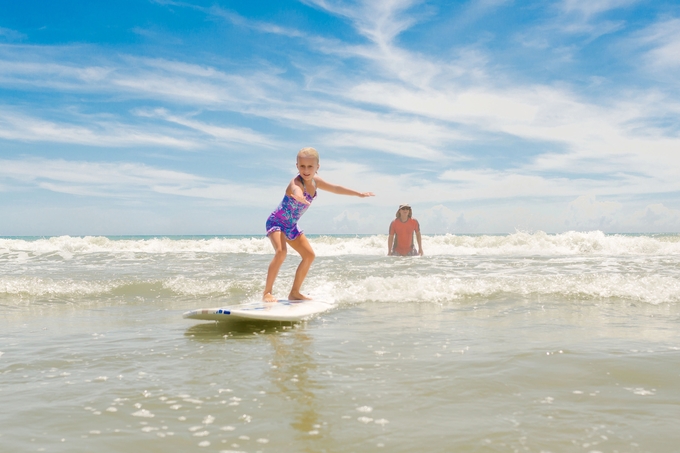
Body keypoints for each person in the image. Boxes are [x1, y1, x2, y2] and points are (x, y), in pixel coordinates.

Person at [263, 147, 374, 302]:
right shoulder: (296, 182)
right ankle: (267, 293)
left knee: (309, 255)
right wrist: (298, 196)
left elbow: (336, 188)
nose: (306, 170)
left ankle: (294, 293)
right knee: (281, 252)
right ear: (297, 166)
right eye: (302, 166)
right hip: (277, 222)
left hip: (291, 225)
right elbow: (296, 190)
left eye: (310, 166)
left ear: (317, 167)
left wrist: (358, 194)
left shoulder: (316, 181)